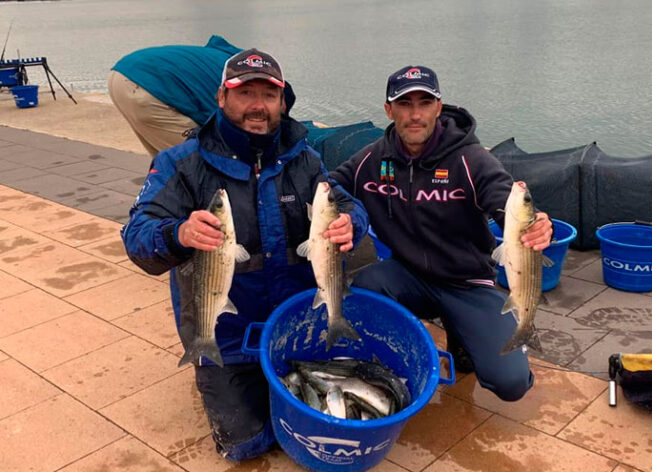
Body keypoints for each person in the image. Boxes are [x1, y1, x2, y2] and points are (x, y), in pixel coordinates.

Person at [121, 48, 368, 460]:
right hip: (229, 335)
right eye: (245, 93)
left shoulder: (305, 159)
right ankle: (217, 370)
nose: (258, 106)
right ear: (222, 97)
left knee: (318, 422)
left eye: (269, 95)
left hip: (295, 323)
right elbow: (136, 237)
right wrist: (178, 233)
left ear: (283, 102)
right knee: (246, 445)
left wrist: (351, 223)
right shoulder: (180, 164)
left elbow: (345, 202)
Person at [331, 65, 553, 401]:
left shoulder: (471, 159)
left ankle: (461, 330)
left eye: (424, 103)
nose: (415, 114)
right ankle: (398, 352)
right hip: (408, 275)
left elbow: (504, 200)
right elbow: (329, 187)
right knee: (364, 287)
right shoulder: (372, 159)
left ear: (438, 107)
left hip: (467, 282)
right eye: (404, 104)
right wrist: (345, 216)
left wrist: (537, 225)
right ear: (389, 110)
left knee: (511, 383)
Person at [109, 35, 298, 157]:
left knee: (167, 158)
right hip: (149, 87)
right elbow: (219, 131)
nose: (259, 107)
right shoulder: (230, 85)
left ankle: (159, 199)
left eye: (269, 96)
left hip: (123, 74)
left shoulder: (232, 63)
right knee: (206, 157)